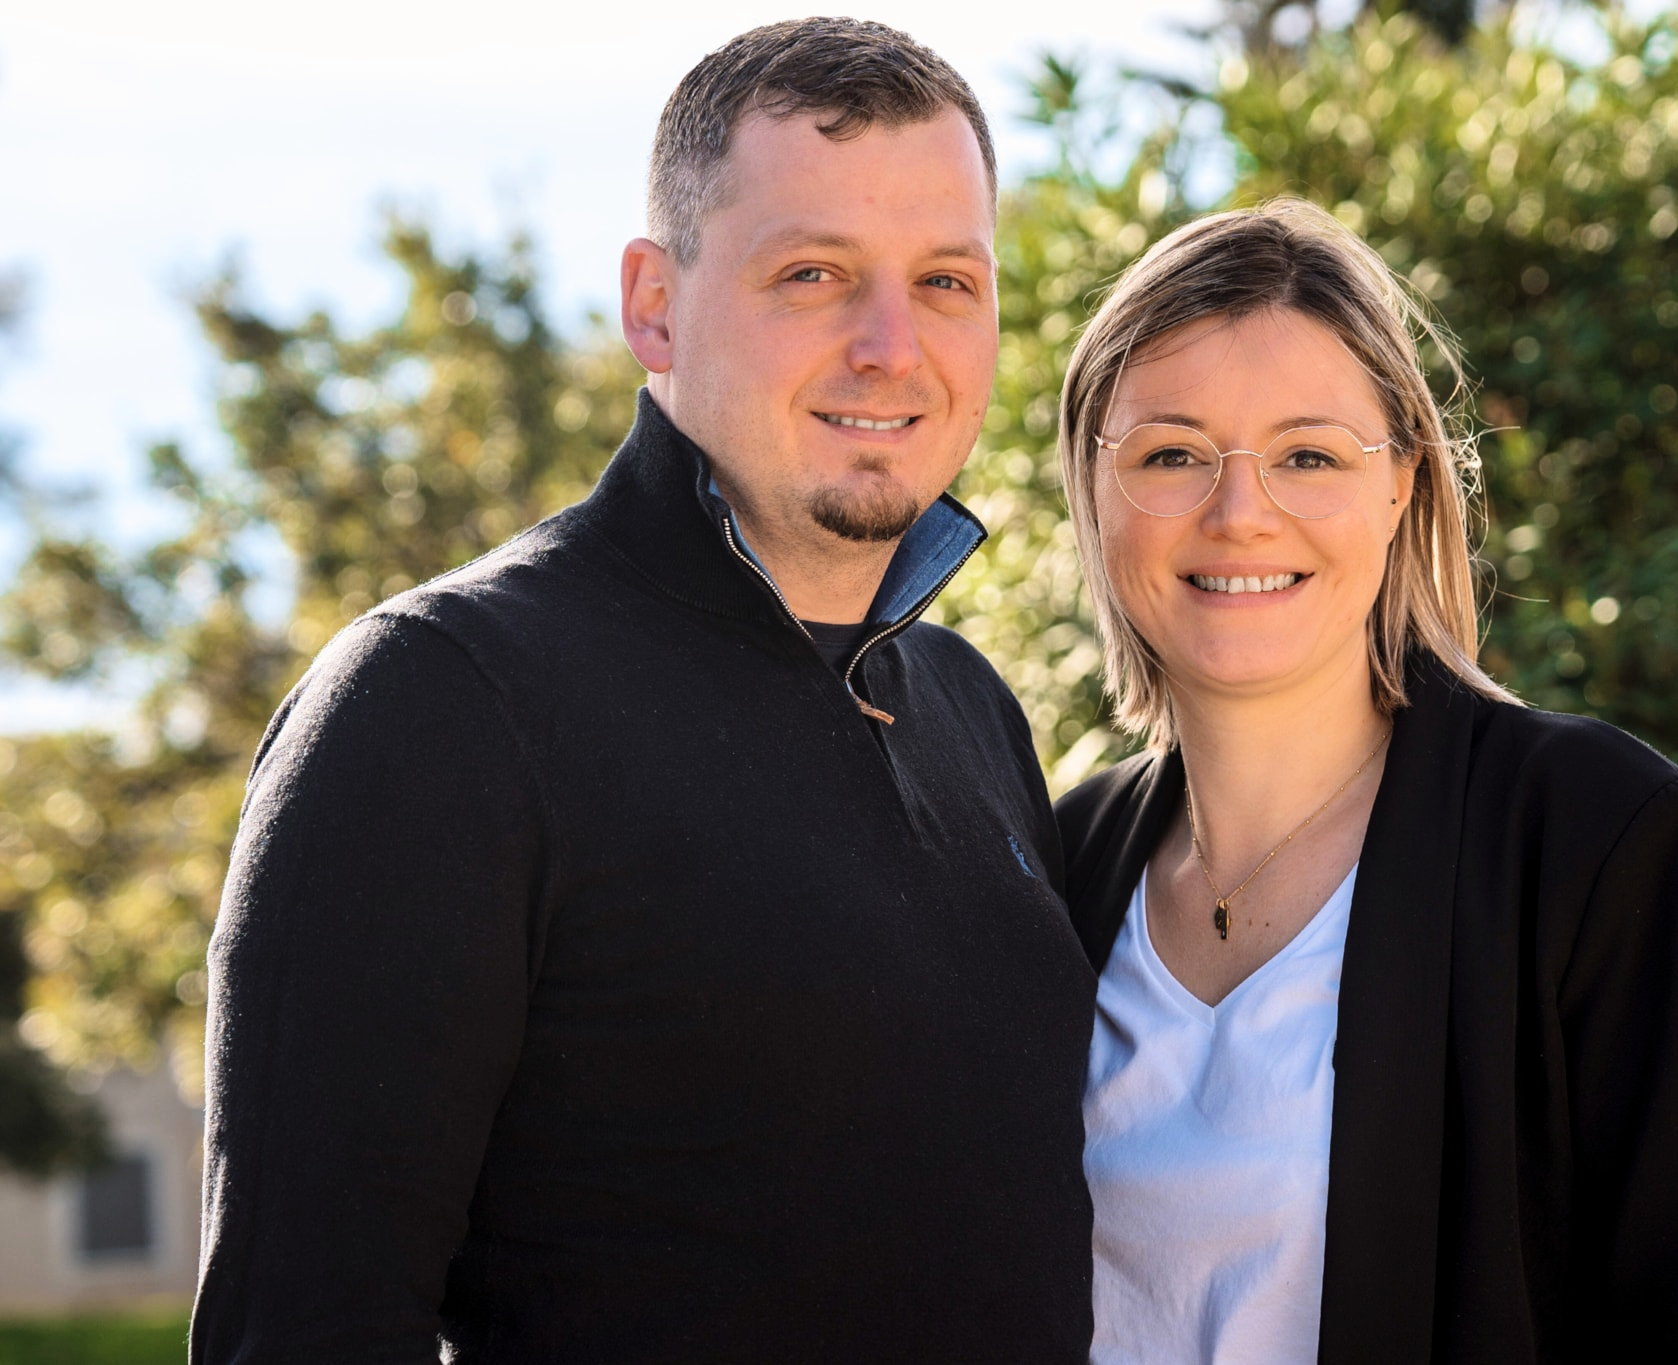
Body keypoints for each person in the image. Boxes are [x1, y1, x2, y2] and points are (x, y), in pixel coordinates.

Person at [192, 20, 1096, 1362]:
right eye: (812, 274)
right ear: (654, 304)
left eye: (947, 281)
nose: (892, 346)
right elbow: (303, 1325)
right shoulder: (441, 702)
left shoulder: (973, 709)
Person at [1054, 199, 1678, 1364]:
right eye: (1170, 454)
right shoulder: (1054, 867)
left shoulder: (1599, 842)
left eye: (1307, 455)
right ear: (1091, 487)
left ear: (1402, 486)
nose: (1239, 513)